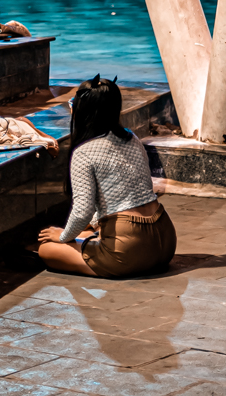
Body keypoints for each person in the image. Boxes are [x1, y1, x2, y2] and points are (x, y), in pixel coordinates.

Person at [36, 76, 176, 278]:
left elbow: (83, 210)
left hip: (129, 250)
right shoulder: (131, 138)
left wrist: (63, 236)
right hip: (165, 240)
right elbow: (132, 191)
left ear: (84, 111)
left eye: (73, 103)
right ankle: (95, 240)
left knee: (47, 249)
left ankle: (98, 251)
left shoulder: (84, 152)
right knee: (84, 231)